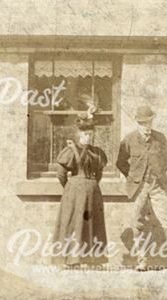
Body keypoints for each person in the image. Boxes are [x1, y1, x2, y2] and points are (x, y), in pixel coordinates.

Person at [116, 105, 167, 273]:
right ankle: (142, 261)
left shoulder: (160, 139)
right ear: (137, 123)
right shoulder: (129, 140)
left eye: (148, 123)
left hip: (158, 186)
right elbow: (120, 162)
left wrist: (160, 174)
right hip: (138, 187)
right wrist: (133, 178)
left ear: (152, 122)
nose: (146, 127)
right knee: (137, 223)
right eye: (142, 123)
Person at [53, 110, 110, 267]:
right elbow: (61, 174)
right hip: (74, 194)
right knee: (74, 223)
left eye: (90, 134)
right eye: (85, 134)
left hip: (93, 194)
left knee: (92, 224)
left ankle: (92, 259)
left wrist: (90, 184)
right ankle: (72, 260)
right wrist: (71, 187)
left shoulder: (97, 153)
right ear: (78, 134)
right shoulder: (70, 151)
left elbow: (99, 174)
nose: (88, 137)